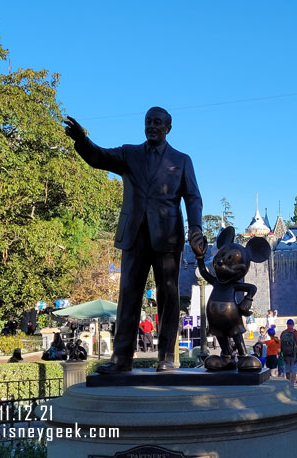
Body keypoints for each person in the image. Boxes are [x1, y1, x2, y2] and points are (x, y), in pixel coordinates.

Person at [64, 108, 203, 374]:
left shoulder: (182, 160)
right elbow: (99, 156)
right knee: (128, 294)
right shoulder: (130, 154)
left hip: (168, 236)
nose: (152, 126)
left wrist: (195, 227)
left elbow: (193, 197)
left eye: (158, 123)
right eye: (148, 122)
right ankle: (121, 359)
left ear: (168, 128)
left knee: (168, 297)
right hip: (135, 235)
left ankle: (166, 358)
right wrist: (82, 141)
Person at [280, 319, 297, 384]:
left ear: (287, 325)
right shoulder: (296, 333)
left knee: (287, 369)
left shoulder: (283, 333)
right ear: (293, 325)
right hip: (294, 354)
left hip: (285, 354)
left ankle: (288, 383)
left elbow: (280, 344)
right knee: (294, 370)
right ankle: (292, 383)